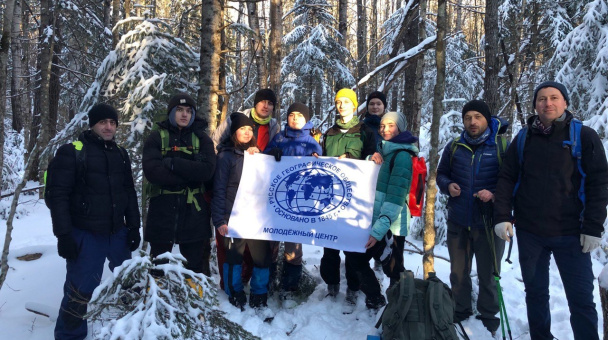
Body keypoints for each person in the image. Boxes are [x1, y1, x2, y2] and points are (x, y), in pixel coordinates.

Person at [493, 81, 608, 340]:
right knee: (535, 295)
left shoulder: (584, 137)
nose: (548, 103)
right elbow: (507, 177)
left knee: (580, 300)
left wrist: (592, 227)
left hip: (572, 233)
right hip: (531, 233)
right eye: (542, 98)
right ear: (535, 104)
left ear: (565, 103)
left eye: (554, 98)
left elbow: (599, 183)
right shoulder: (524, 138)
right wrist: (502, 216)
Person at [48, 103, 141, 340]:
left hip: (116, 232)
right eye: (103, 122)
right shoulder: (73, 151)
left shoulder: (120, 153)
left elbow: (128, 192)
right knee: (79, 291)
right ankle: (69, 336)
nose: (108, 127)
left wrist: (133, 227)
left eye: (112, 122)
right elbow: (57, 195)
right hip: (86, 234)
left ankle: (133, 327)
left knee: (128, 282)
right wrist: (64, 235)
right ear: (92, 125)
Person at [436, 99, 508, 335]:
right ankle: (460, 310)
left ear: (487, 119)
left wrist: (495, 194)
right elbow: (441, 174)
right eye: (468, 118)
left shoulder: (501, 146)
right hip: (458, 220)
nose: (472, 122)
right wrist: (448, 186)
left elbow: (513, 181)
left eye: (477, 116)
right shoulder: (454, 146)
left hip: (488, 222)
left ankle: (488, 314)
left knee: (489, 274)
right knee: (458, 273)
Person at [211, 88, 280, 288]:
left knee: (260, 254)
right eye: (262, 102)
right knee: (233, 253)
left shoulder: (274, 127)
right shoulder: (228, 147)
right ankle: (232, 288)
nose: (266, 106)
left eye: (270, 103)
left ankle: (258, 292)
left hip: (257, 207)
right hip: (232, 206)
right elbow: (216, 144)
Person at [142, 93, 216, 276]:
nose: (184, 115)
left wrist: (174, 163)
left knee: (194, 266)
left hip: (194, 213)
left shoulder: (203, 139)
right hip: (162, 211)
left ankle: (196, 302)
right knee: (158, 264)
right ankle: (157, 299)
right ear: (171, 112)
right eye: (180, 110)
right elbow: (153, 172)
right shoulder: (156, 138)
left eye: (189, 111)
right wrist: (192, 173)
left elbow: (207, 172)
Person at [320, 88, 376, 310]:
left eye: (346, 102)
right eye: (338, 102)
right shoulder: (329, 132)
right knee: (329, 246)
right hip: (330, 197)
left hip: (354, 199)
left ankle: (353, 288)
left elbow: (372, 158)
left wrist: (356, 158)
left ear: (354, 105)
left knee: (352, 247)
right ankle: (332, 285)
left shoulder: (364, 131)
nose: (341, 105)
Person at [264, 103, 322, 304]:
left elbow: (321, 169)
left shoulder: (311, 142)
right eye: (291, 115)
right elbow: (264, 160)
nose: (295, 118)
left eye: (299, 115)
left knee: (293, 248)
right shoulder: (279, 138)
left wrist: (317, 159)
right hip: (276, 201)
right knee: (271, 245)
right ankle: (269, 283)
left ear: (306, 119)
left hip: (298, 205)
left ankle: (289, 288)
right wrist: (272, 154)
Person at [368, 111, 418, 288]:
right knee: (388, 266)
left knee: (395, 270)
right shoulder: (385, 151)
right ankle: (388, 301)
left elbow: (395, 198)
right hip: (382, 219)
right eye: (382, 126)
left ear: (400, 128)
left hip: (393, 223)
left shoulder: (402, 156)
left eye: (391, 125)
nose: (385, 129)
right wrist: (369, 159)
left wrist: (378, 229)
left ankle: (401, 306)